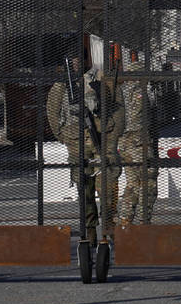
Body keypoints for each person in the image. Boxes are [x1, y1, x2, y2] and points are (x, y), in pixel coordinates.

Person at [47, 53, 123, 241]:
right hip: (76, 141)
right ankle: (89, 229)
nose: (75, 63)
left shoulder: (100, 77)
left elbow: (119, 110)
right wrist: (64, 136)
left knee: (107, 185)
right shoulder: (62, 85)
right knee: (84, 188)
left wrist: (112, 136)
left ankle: (107, 225)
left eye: (78, 59)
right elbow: (53, 112)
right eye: (71, 60)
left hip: (102, 139)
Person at [117, 54, 158, 225]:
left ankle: (126, 218)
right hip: (139, 140)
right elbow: (141, 114)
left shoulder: (121, 91)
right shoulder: (139, 91)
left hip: (124, 143)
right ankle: (143, 219)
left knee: (133, 183)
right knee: (148, 181)